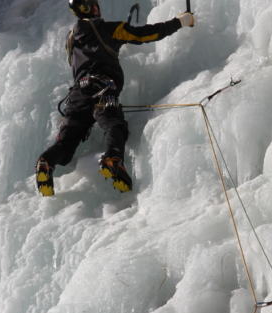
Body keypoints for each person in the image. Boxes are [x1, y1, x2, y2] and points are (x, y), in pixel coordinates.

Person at [35, 0, 195, 196]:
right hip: (102, 87)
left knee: (65, 145)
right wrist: (180, 22)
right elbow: (144, 34)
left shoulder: (71, 38)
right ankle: (112, 159)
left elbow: (88, 56)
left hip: (77, 95)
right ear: (90, 7)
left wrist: (112, 50)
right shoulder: (109, 29)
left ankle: (46, 162)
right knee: (114, 125)